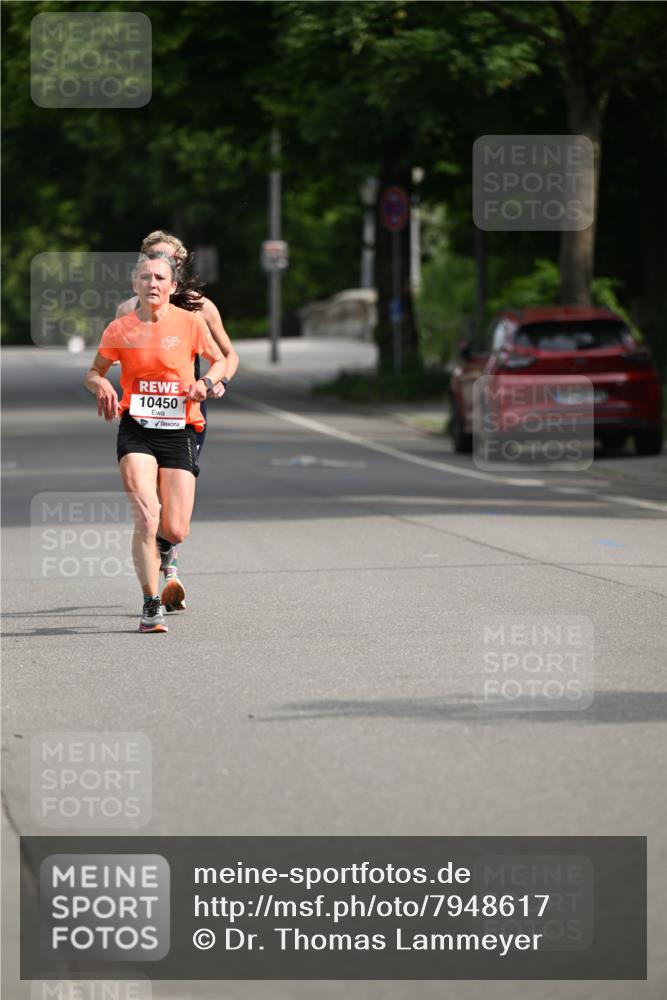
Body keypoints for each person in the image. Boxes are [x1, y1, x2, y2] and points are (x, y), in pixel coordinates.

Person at [85, 252, 228, 633]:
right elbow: (94, 371)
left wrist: (206, 383)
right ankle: (151, 604)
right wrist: (100, 384)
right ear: (135, 285)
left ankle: (165, 549)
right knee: (147, 516)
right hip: (137, 428)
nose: (152, 284)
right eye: (145, 277)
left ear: (173, 286)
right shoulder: (121, 328)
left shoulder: (191, 323)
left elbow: (220, 361)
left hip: (180, 428)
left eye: (160, 278)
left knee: (175, 528)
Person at [116, 230, 239, 612]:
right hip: (141, 419)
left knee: (174, 515)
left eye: (169, 259)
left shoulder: (201, 308)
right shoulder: (127, 310)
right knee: (149, 505)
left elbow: (228, 357)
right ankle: (160, 583)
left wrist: (214, 381)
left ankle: (168, 557)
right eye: (153, 256)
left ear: (179, 267)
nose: (160, 264)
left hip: (184, 415)